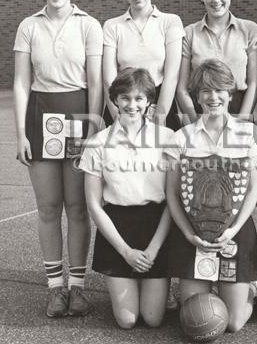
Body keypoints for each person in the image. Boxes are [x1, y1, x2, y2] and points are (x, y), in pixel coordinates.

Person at [13, 0, 102, 317]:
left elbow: (96, 84)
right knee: (49, 207)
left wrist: (94, 130)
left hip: (79, 116)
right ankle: (55, 288)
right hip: (41, 117)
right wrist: (21, 133)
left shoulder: (89, 25)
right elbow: (21, 82)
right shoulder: (28, 26)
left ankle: (78, 288)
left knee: (78, 208)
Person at [165, 59, 257, 332]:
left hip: (235, 232)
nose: (213, 97)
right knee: (194, 317)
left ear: (230, 94)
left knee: (231, 324)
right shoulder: (181, 138)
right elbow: (172, 195)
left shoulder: (249, 134)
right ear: (196, 96)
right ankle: (201, 285)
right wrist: (188, 234)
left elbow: (253, 192)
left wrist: (232, 231)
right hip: (194, 236)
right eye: (205, 91)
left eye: (220, 90)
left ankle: (253, 289)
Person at [79, 68, 173, 328]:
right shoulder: (97, 143)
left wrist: (153, 249)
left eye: (139, 98)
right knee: (127, 321)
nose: (132, 105)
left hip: (157, 226)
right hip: (118, 227)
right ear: (115, 100)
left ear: (148, 102)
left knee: (153, 320)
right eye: (125, 98)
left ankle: (159, 287)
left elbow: (172, 201)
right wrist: (126, 251)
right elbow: (94, 206)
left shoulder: (166, 138)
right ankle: (131, 282)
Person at [103, 0, 183, 129]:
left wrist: (160, 117)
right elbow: (109, 78)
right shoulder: (111, 26)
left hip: (160, 102)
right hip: (122, 103)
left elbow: (171, 76)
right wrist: (118, 115)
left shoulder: (171, 22)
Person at [176, 0, 257, 124]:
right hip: (202, 110)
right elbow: (182, 88)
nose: (216, 0)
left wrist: (241, 123)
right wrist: (195, 123)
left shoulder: (249, 29)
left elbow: (253, 82)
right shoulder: (190, 33)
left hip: (239, 109)